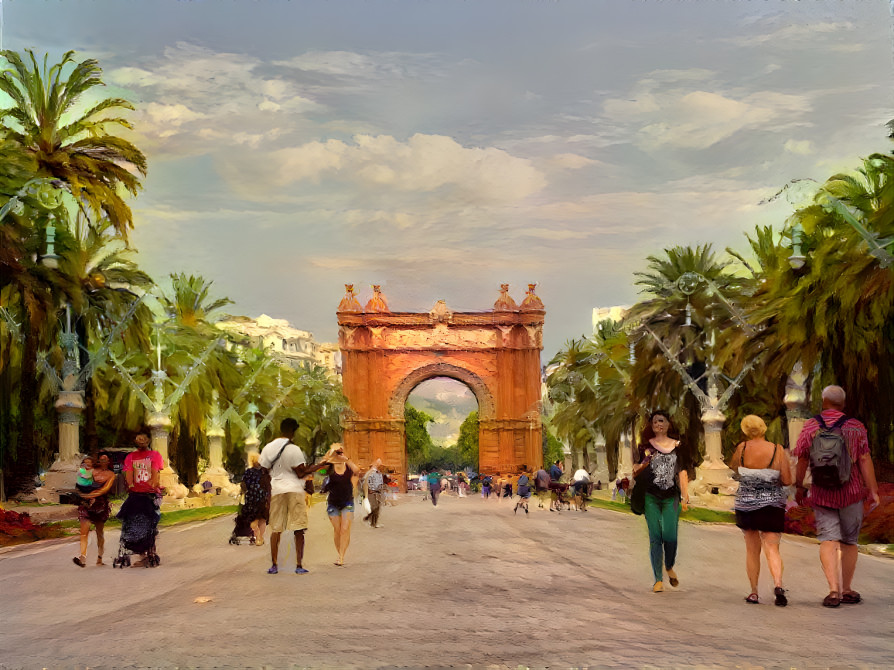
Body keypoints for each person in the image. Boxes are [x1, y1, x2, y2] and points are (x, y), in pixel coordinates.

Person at [794, 385, 880, 608]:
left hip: (822, 493)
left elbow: (802, 458)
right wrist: (872, 490)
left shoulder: (811, 426)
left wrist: (799, 487)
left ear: (823, 402)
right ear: (843, 403)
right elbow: (864, 459)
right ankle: (847, 589)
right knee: (849, 542)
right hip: (850, 493)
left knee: (828, 539)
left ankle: (833, 591)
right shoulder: (855, 427)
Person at [729, 415, 792, 606]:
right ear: (764, 428)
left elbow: (734, 470)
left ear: (745, 430)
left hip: (747, 504)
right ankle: (778, 585)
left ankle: (754, 592)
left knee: (751, 549)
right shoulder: (777, 450)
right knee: (772, 547)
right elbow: (788, 480)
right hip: (772, 505)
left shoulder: (742, 448)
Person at [259, 418, 334, 575]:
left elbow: (263, 472)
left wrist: (268, 494)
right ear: (293, 431)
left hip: (277, 490)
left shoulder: (268, 448)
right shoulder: (294, 449)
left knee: (276, 529)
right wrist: (321, 465)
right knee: (299, 528)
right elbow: (301, 472)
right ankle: (299, 565)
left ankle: (274, 565)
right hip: (294, 490)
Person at [634, 410, 690, 593]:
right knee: (655, 536)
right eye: (655, 422)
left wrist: (685, 495)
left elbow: (682, 472)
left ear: (668, 424)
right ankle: (658, 579)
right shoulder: (644, 447)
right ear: (651, 426)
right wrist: (644, 464)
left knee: (670, 536)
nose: (659, 424)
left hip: (671, 497)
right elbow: (634, 471)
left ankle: (669, 566)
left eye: (662, 421)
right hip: (651, 496)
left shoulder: (678, 446)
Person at [118, 431, 164, 568]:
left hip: (149, 494)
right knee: (131, 522)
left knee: (149, 523)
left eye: (143, 437)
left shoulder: (155, 456)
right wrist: (131, 485)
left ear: (148, 440)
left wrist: (150, 485)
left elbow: (155, 474)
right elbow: (128, 475)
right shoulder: (131, 457)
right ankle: (140, 553)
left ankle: (148, 552)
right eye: (138, 438)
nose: (141, 440)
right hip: (135, 494)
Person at [72, 453, 116, 567]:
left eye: (105, 459)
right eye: (101, 459)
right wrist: (82, 495)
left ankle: (99, 558)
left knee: (99, 532)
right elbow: (80, 481)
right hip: (85, 504)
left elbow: (105, 489)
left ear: (108, 461)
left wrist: (91, 495)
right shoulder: (91, 471)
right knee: (84, 531)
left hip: (100, 505)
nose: (102, 461)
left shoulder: (111, 474)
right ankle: (82, 558)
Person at [323, 443, 359, 566]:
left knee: (344, 529)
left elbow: (357, 471)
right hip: (333, 502)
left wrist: (346, 459)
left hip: (347, 501)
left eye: (340, 452)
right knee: (337, 530)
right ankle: (340, 554)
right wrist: (329, 455)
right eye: (337, 452)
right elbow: (320, 470)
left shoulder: (348, 466)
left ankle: (341, 557)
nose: (339, 454)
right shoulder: (330, 467)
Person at [241, 451, 271, 546]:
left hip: (253, 499)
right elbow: (269, 486)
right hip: (262, 498)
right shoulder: (264, 472)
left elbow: (243, 486)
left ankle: (259, 537)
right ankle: (259, 536)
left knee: (256, 520)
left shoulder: (248, 473)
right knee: (261, 519)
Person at [363, 458, 386, 528]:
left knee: (378, 508)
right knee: (374, 507)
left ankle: (374, 523)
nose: (380, 464)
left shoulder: (379, 473)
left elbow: (380, 482)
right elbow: (365, 481)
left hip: (378, 492)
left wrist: (382, 489)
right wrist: (369, 489)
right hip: (372, 492)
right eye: (379, 463)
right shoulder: (370, 472)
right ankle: (369, 518)